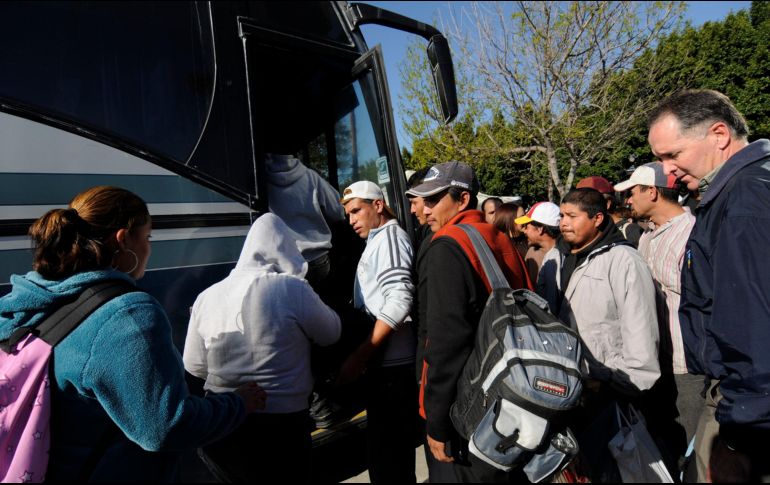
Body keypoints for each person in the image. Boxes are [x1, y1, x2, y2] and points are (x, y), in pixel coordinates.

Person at [0, 186, 264, 482]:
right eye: (148, 237)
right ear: (123, 239)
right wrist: (238, 403)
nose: (149, 248)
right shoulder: (127, 314)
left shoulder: (26, 303)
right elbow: (166, 428)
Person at [649, 89, 770, 482]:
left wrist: (739, 436)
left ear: (719, 135)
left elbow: (752, 325)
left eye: (673, 155)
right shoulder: (741, 191)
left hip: (747, 411)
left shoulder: (744, 200)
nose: (667, 171)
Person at [183, 213, 341, 483]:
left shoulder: (206, 296)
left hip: (224, 420)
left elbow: (194, 365)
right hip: (283, 423)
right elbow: (331, 333)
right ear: (285, 249)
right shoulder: (292, 288)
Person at [406, 161, 532, 482]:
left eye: (434, 200)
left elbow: (445, 343)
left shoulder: (447, 245)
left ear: (462, 200)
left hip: (469, 411)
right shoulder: (494, 235)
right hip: (512, 398)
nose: (425, 209)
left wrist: (436, 422)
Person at [554, 188, 660, 481]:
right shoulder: (559, 257)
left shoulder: (623, 260)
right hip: (571, 394)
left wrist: (620, 383)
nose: (563, 222)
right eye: (562, 215)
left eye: (572, 216)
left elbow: (641, 327)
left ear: (598, 218)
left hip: (613, 395)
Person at [615, 161, 701, 464]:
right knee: (663, 443)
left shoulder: (691, 234)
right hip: (655, 359)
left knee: (690, 449)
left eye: (632, 193)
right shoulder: (648, 236)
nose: (628, 201)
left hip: (685, 365)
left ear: (652, 192)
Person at [340, 180, 417, 483]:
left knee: (391, 465)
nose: (352, 220)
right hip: (384, 368)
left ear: (378, 205)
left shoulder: (389, 238)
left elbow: (400, 299)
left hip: (393, 370)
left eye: (356, 211)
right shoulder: (378, 240)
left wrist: (361, 355)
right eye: (348, 214)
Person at [265, 153, 345, 289]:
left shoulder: (261, 180)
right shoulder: (310, 176)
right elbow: (338, 212)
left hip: (285, 263)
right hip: (318, 260)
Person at [513, 201, 562, 311]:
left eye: (527, 226)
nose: (524, 230)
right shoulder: (532, 253)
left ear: (540, 229)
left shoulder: (567, 256)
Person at [577, 175, 644, 247]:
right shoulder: (585, 233)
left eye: (587, 202)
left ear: (607, 203)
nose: (579, 208)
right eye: (577, 202)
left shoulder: (630, 231)